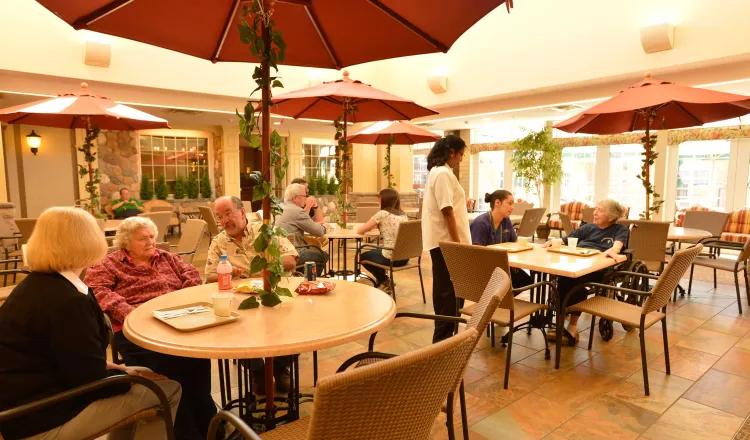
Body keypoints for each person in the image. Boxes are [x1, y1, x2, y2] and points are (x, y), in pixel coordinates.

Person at [0, 207, 181, 440]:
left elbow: (70, 357)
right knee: (168, 391)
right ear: (88, 241)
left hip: (24, 403)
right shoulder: (68, 301)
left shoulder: (37, 284)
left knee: (141, 378)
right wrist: (130, 377)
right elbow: (88, 381)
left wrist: (123, 370)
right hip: (40, 416)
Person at [84, 216, 213, 440]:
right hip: (139, 330)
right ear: (125, 242)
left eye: (152, 236)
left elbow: (191, 274)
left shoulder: (167, 257)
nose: (151, 242)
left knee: (198, 363)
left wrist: (185, 299)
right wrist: (133, 315)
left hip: (178, 320)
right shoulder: (109, 263)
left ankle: (211, 427)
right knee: (173, 374)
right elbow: (97, 290)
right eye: (142, 238)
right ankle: (186, 433)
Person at [206, 195, 299, 394]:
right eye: (219, 217)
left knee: (299, 322)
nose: (224, 221)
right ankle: (257, 371)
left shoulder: (265, 231)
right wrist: (228, 271)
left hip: (274, 293)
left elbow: (291, 261)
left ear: (242, 211)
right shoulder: (219, 242)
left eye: (228, 213)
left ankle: (282, 366)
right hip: (240, 300)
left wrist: (260, 272)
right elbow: (210, 275)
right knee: (228, 327)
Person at [542, 198, 629, 344]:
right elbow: (565, 240)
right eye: (596, 209)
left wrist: (614, 250)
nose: (595, 213)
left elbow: (617, 246)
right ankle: (560, 322)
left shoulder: (619, 230)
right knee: (564, 278)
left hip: (599, 269)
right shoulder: (588, 228)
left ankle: (572, 327)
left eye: (600, 210)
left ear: (612, 216)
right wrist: (553, 242)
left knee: (577, 283)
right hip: (578, 263)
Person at [421, 135, 472, 343]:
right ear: (451, 152)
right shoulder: (442, 173)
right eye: (460, 154)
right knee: (447, 295)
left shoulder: (440, 172)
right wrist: (457, 244)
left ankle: (445, 341)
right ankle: (441, 344)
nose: (460, 159)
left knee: (448, 293)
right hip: (447, 243)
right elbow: (447, 211)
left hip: (444, 242)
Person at [470, 190, 533, 289]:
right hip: (485, 271)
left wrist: (514, 262)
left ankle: (502, 302)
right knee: (517, 283)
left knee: (527, 281)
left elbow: (515, 242)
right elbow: (478, 253)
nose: (512, 207)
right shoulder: (481, 223)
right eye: (509, 203)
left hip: (502, 267)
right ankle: (498, 301)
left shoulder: (505, 220)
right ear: (497, 203)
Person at [356, 188, 409, 292]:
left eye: (379, 198)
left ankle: (384, 280)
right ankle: (385, 282)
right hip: (404, 257)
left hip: (391, 257)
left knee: (362, 256)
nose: (378, 200)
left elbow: (360, 231)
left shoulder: (383, 213)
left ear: (384, 200)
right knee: (376, 252)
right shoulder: (403, 215)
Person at [276, 183, 329, 276]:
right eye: (304, 196)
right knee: (323, 255)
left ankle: (301, 276)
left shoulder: (279, 208)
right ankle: (311, 280)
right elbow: (319, 231)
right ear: (295, 198)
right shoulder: (297, 211)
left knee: (313, 250)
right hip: (293, 251)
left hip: (279, 251)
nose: (306, 198)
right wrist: (325, 227)